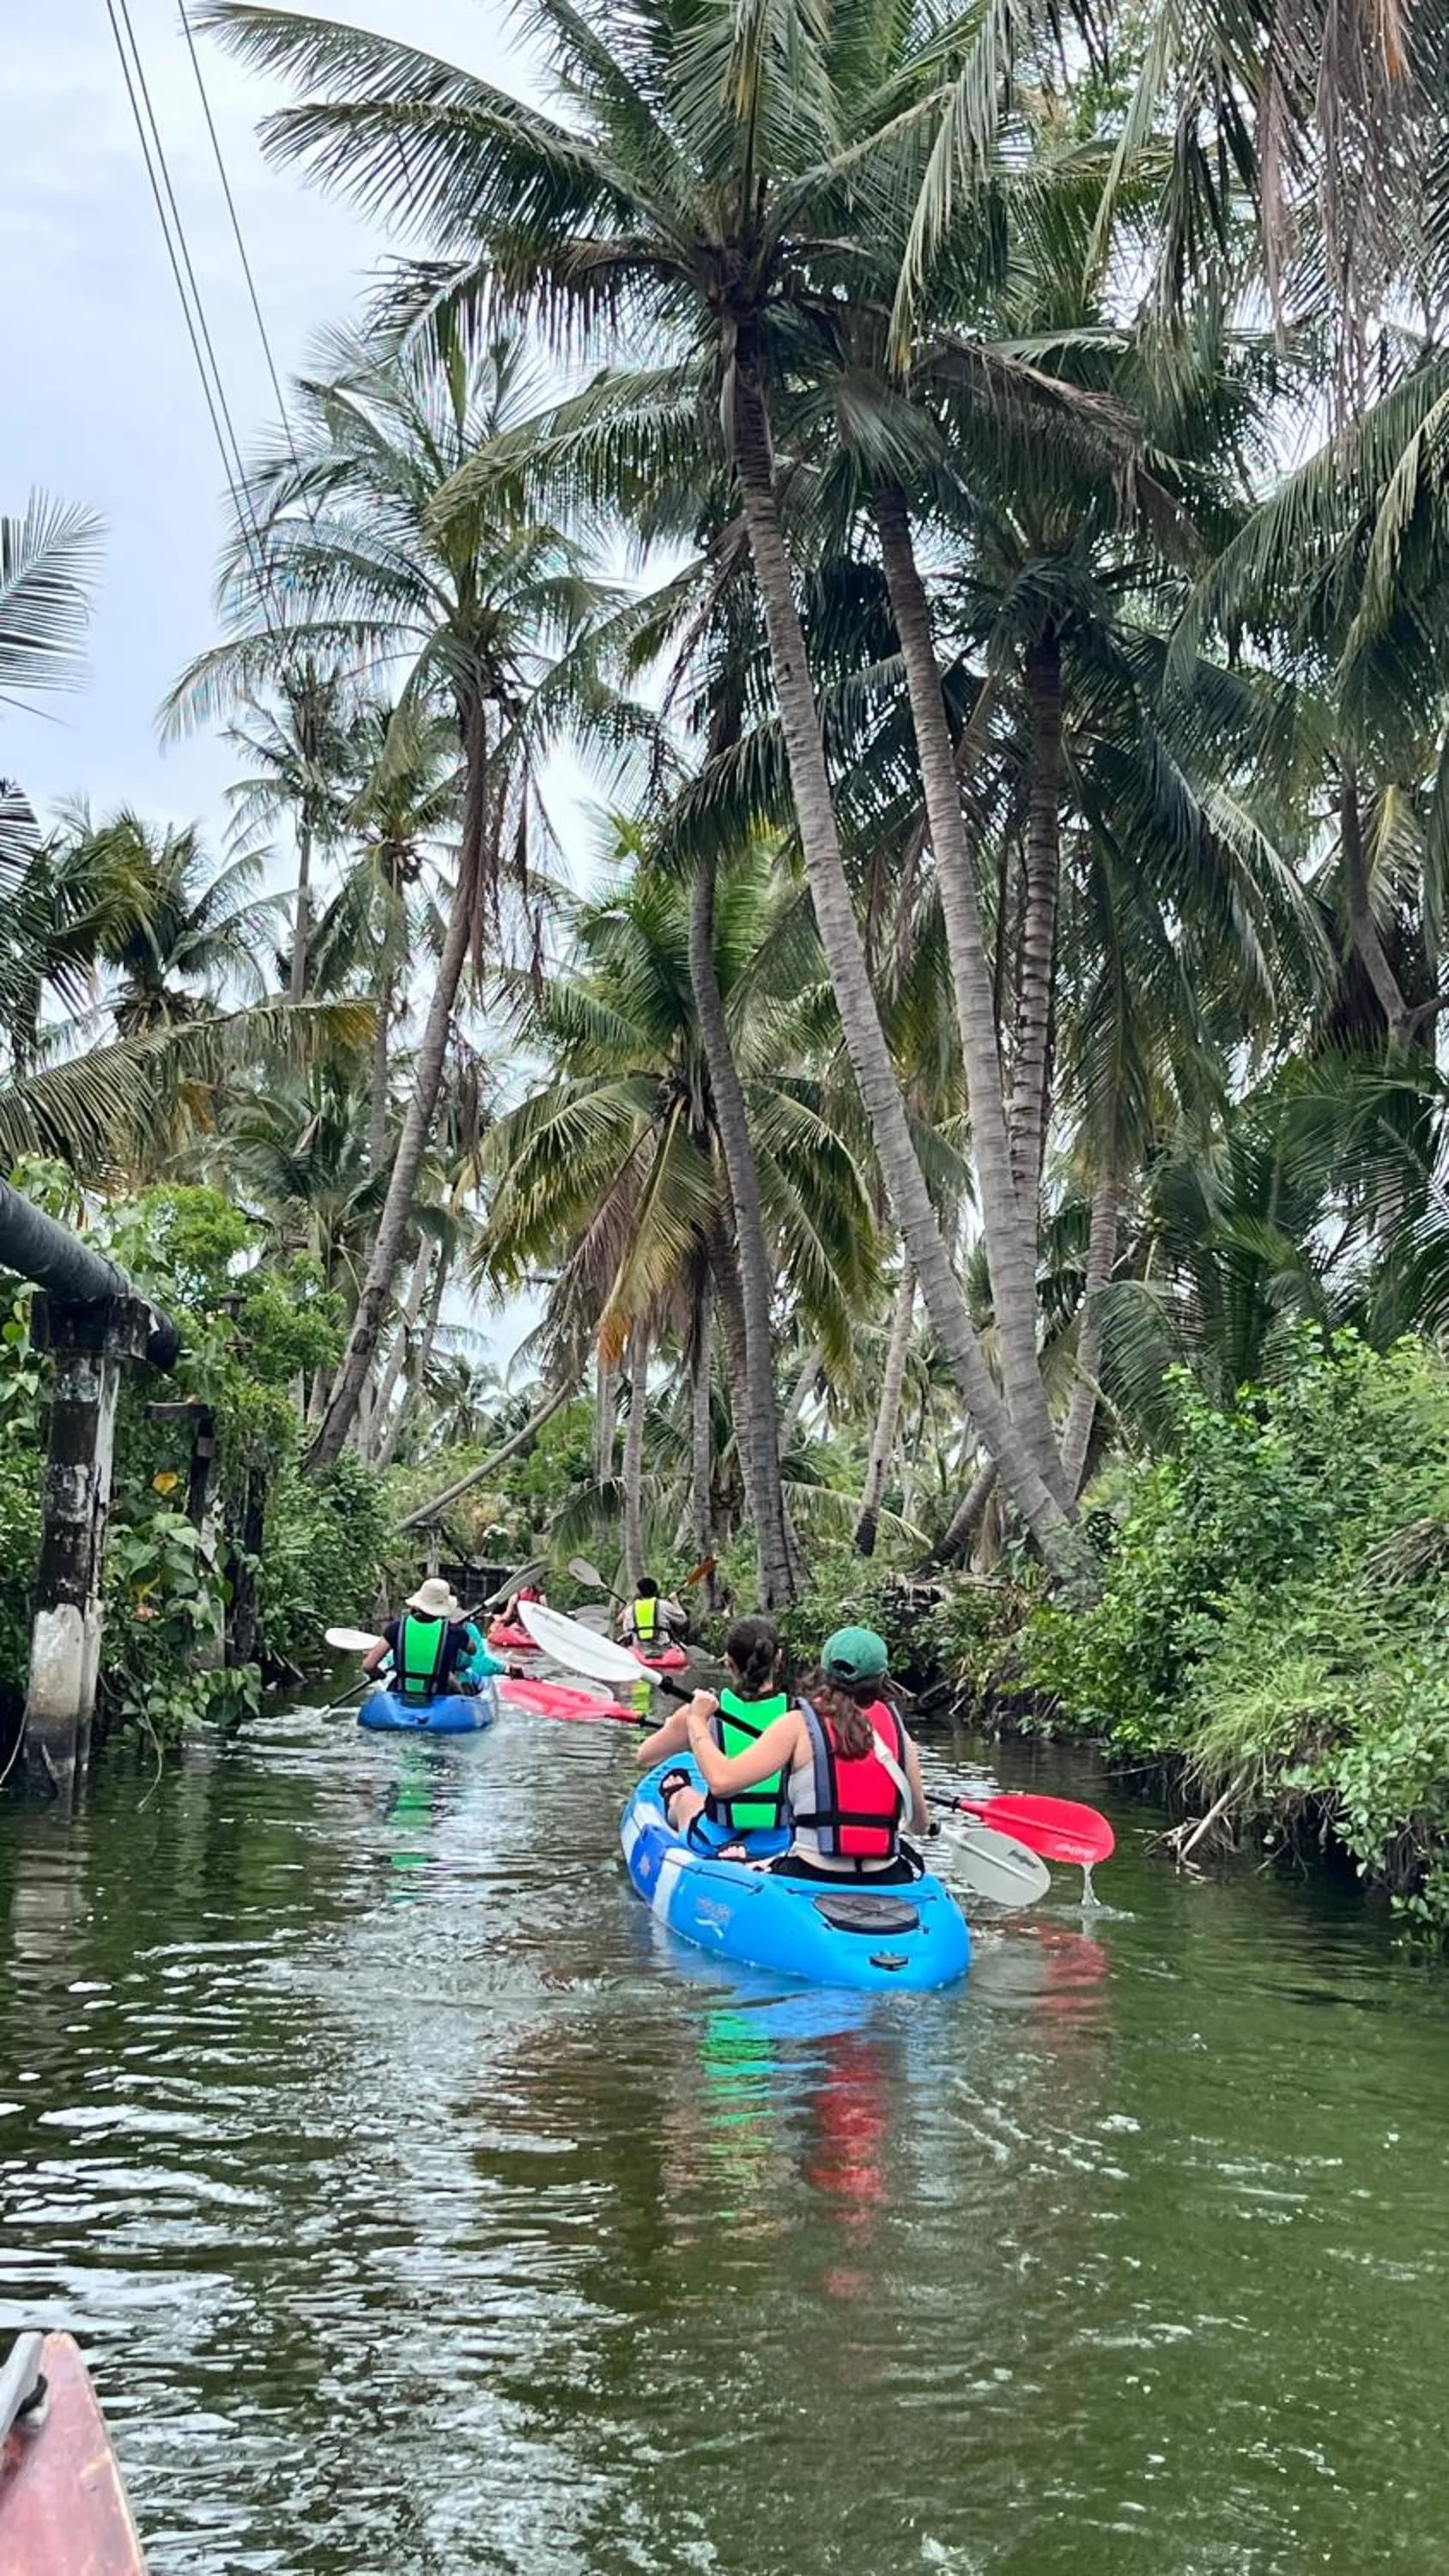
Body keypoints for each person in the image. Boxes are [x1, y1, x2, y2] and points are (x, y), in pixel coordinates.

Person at [679, 1625, 930, 1884]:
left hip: (814, 1874)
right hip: (886, 1876)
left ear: (822, 1671)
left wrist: (697, 1720)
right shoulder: (900, 1737)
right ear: (882, 1677)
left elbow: (721, 1782)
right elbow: (918, 1826)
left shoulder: (797, 1726)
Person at [640, 1614, 792, 1860]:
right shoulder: (799, 1715)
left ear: (728, 1662)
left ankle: (676, 1791)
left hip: (714, 1839)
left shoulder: (703, 1711)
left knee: (685, 1796)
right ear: (778, 1658)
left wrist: (682, 1723)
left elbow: (646, 1756)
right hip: (781, 1842)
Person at [363, 1577, 500, 1704]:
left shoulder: (395, 1628)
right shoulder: (455, 1632)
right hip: (441, 1696)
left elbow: (368, 1666)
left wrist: (380, 1674)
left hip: (400, 1695)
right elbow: (473, 1649)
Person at [619, 1576, 685, 1653]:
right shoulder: (664, 1605)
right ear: (656, 1591)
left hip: (640, 1649)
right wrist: (675, 1600)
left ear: (640, 1593)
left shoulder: (630, 1610)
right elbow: (682, 1620)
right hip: (663, 1647)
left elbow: (626, 1630)